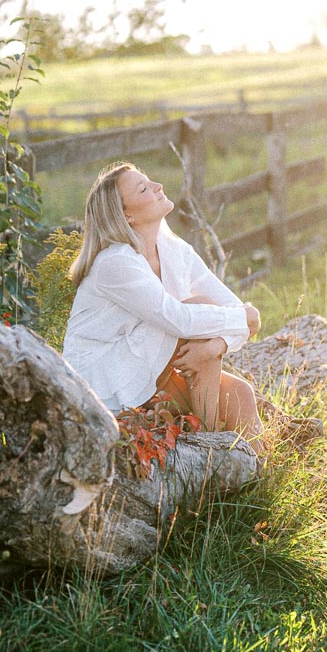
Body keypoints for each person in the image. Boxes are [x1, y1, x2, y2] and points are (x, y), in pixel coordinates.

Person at [62, 162, 265, 457]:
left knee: (241, 395)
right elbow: (180, 320)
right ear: (127, 216)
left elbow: (231, 308)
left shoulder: (175, 250)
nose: (158, 186)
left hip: (149, 366)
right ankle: (210, 446)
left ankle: (257, 481)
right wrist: (245, 319)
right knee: (198, 309)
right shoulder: (115, 262)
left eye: (150, 180)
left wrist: (216, 346)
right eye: (143, 188)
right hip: (103, 380)